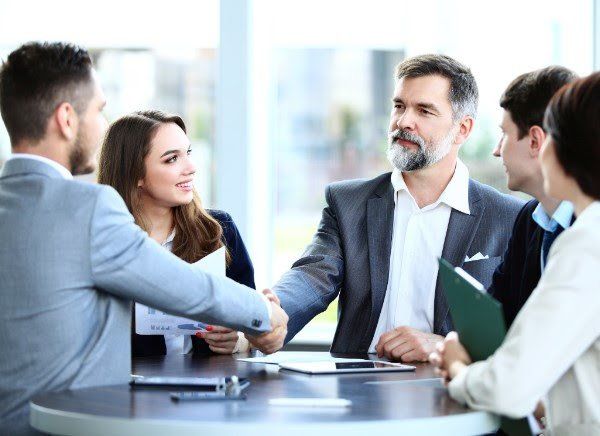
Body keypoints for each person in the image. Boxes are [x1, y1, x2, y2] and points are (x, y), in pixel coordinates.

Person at [0, 42, 287, 434]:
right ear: (67, 118)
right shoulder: (88, 208)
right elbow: (186, 288)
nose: (102, 125)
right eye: (99, 110)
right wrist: (263, 311)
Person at [272, 54, 523, 361]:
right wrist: (267, 312)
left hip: (451, 390)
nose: (404, 121)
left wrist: (445, 346)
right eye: (399, 106)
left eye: (424, 110)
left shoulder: (509, 219)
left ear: (463, 129)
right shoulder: (348, 203)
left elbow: (519, 332)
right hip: (360, 391)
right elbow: (311, 277)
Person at [430, 72, 600, 435]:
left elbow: (507, 389)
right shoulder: (555, 227)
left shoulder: (587, 243)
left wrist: (460, 369)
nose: (496, 149)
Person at [98, 110, 253, 357]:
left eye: (188, 153)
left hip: (209, 389)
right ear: (135, 174)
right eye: (172, 159)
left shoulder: (219, 230)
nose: (191, 168)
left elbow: (251, 324)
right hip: (131, 391)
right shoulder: (102, 245)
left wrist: (239, 342)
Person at [489, 66, 577, 327]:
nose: (496, 150)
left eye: (504, 134)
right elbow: (497, 315)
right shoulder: (529, 219)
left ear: (535, 141)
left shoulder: (590, 228)